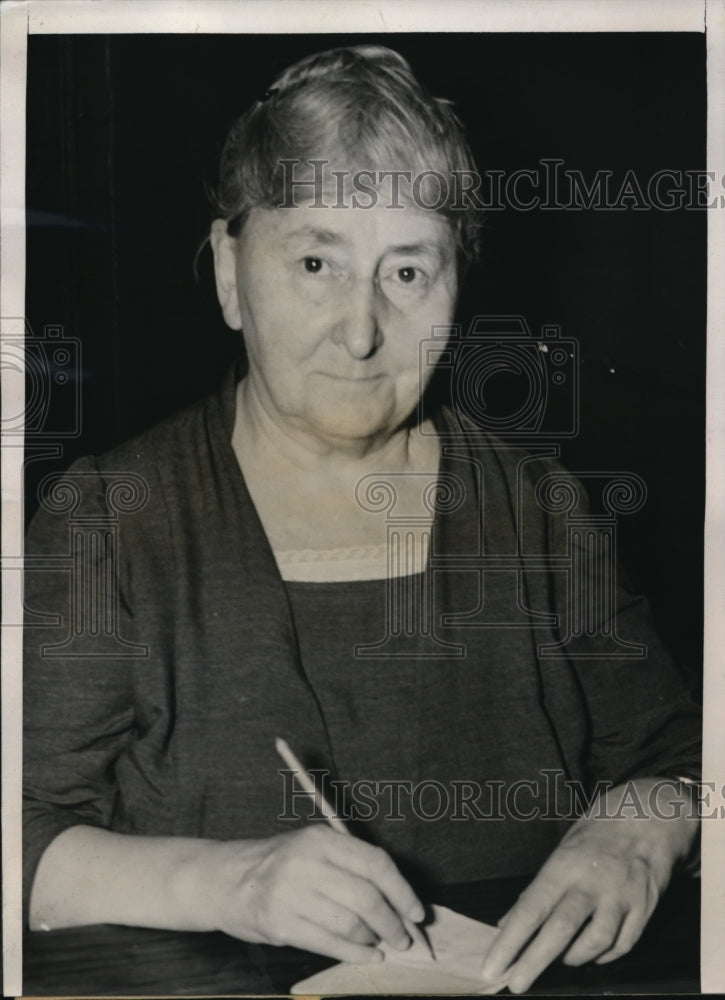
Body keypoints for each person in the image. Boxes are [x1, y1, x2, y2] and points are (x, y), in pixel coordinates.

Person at [23, 45, 701, 993]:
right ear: (229, 271)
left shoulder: (543, 513)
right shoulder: (109, 522)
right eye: (314, 261)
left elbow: (690, 759)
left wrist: (643, 825)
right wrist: (231, 882)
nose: (361, 331)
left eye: (408, 273)